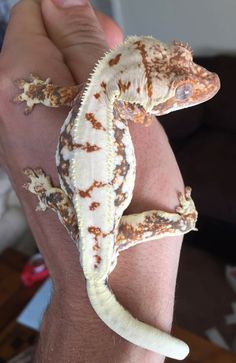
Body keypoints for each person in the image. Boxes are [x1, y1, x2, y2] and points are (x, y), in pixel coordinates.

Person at [0, 0, 186, 362]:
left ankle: (181, 221)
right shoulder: (101, 101)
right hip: (97, 230)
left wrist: (29, 93)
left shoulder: (87, 97)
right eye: (180, 92)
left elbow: (51, 94)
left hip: (96, 232)